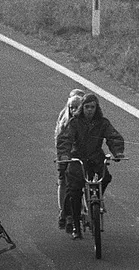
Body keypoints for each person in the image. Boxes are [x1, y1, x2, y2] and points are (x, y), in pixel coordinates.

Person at [57, 93, 125, 239]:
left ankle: (96, 198)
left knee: (106, 177)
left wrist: (118, 152)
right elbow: (65, 139)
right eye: (87, 107)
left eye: (92, 107)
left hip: (95, 157)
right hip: (78, 158)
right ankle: (75, 225)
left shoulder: (103, 123)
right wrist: (64, 155)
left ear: (96, 108)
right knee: (74, 190)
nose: (89, 110)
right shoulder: (74, 123)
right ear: (82, 108)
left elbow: (113, 137)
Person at [54, 89, 85, 229]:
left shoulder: (88, 119)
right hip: (66, 154)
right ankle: (63, 212)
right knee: (64, 181)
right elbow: (60, 139)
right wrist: (63, 156)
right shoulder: (64, 118)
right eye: (72, 107)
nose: (74, 110)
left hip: (81, 153)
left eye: (77, 107)